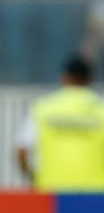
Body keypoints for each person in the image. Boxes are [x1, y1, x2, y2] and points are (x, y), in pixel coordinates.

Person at [16, 57, 104, 192]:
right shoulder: (100, 110)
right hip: (95, 196)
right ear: (88, 79)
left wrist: (34, 178)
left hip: (51, 194)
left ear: (65, 77)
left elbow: (22, 152)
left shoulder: (43, 108)